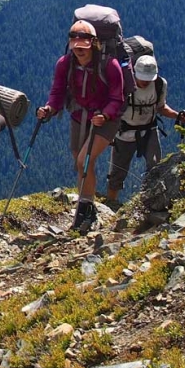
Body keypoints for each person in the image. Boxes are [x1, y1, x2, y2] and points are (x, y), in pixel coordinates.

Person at [36, 20, 124, 231]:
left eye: (83, 49)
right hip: (79, 117)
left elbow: (117, 99)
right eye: (76, 48)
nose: (79, 53)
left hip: (105, 121)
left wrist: (105, 115)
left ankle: (85, 209)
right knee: (81, 161)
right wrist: (49, 109)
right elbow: (57, 93)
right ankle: (88, 206)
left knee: (84, 161)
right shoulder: (65, 64)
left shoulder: (109, 65)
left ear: (93, 44)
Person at [106, 55, 185, 205]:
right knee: (117, 172)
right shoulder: (125, 85)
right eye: (142, 78)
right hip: (125, 133)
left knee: (155, 167)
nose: (145, 81)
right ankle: (111, 204)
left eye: (148, 78)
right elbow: (113, 108)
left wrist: (177, 116)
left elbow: (161, 107)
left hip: (149, 130)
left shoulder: (159, 84)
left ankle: (149, 203)